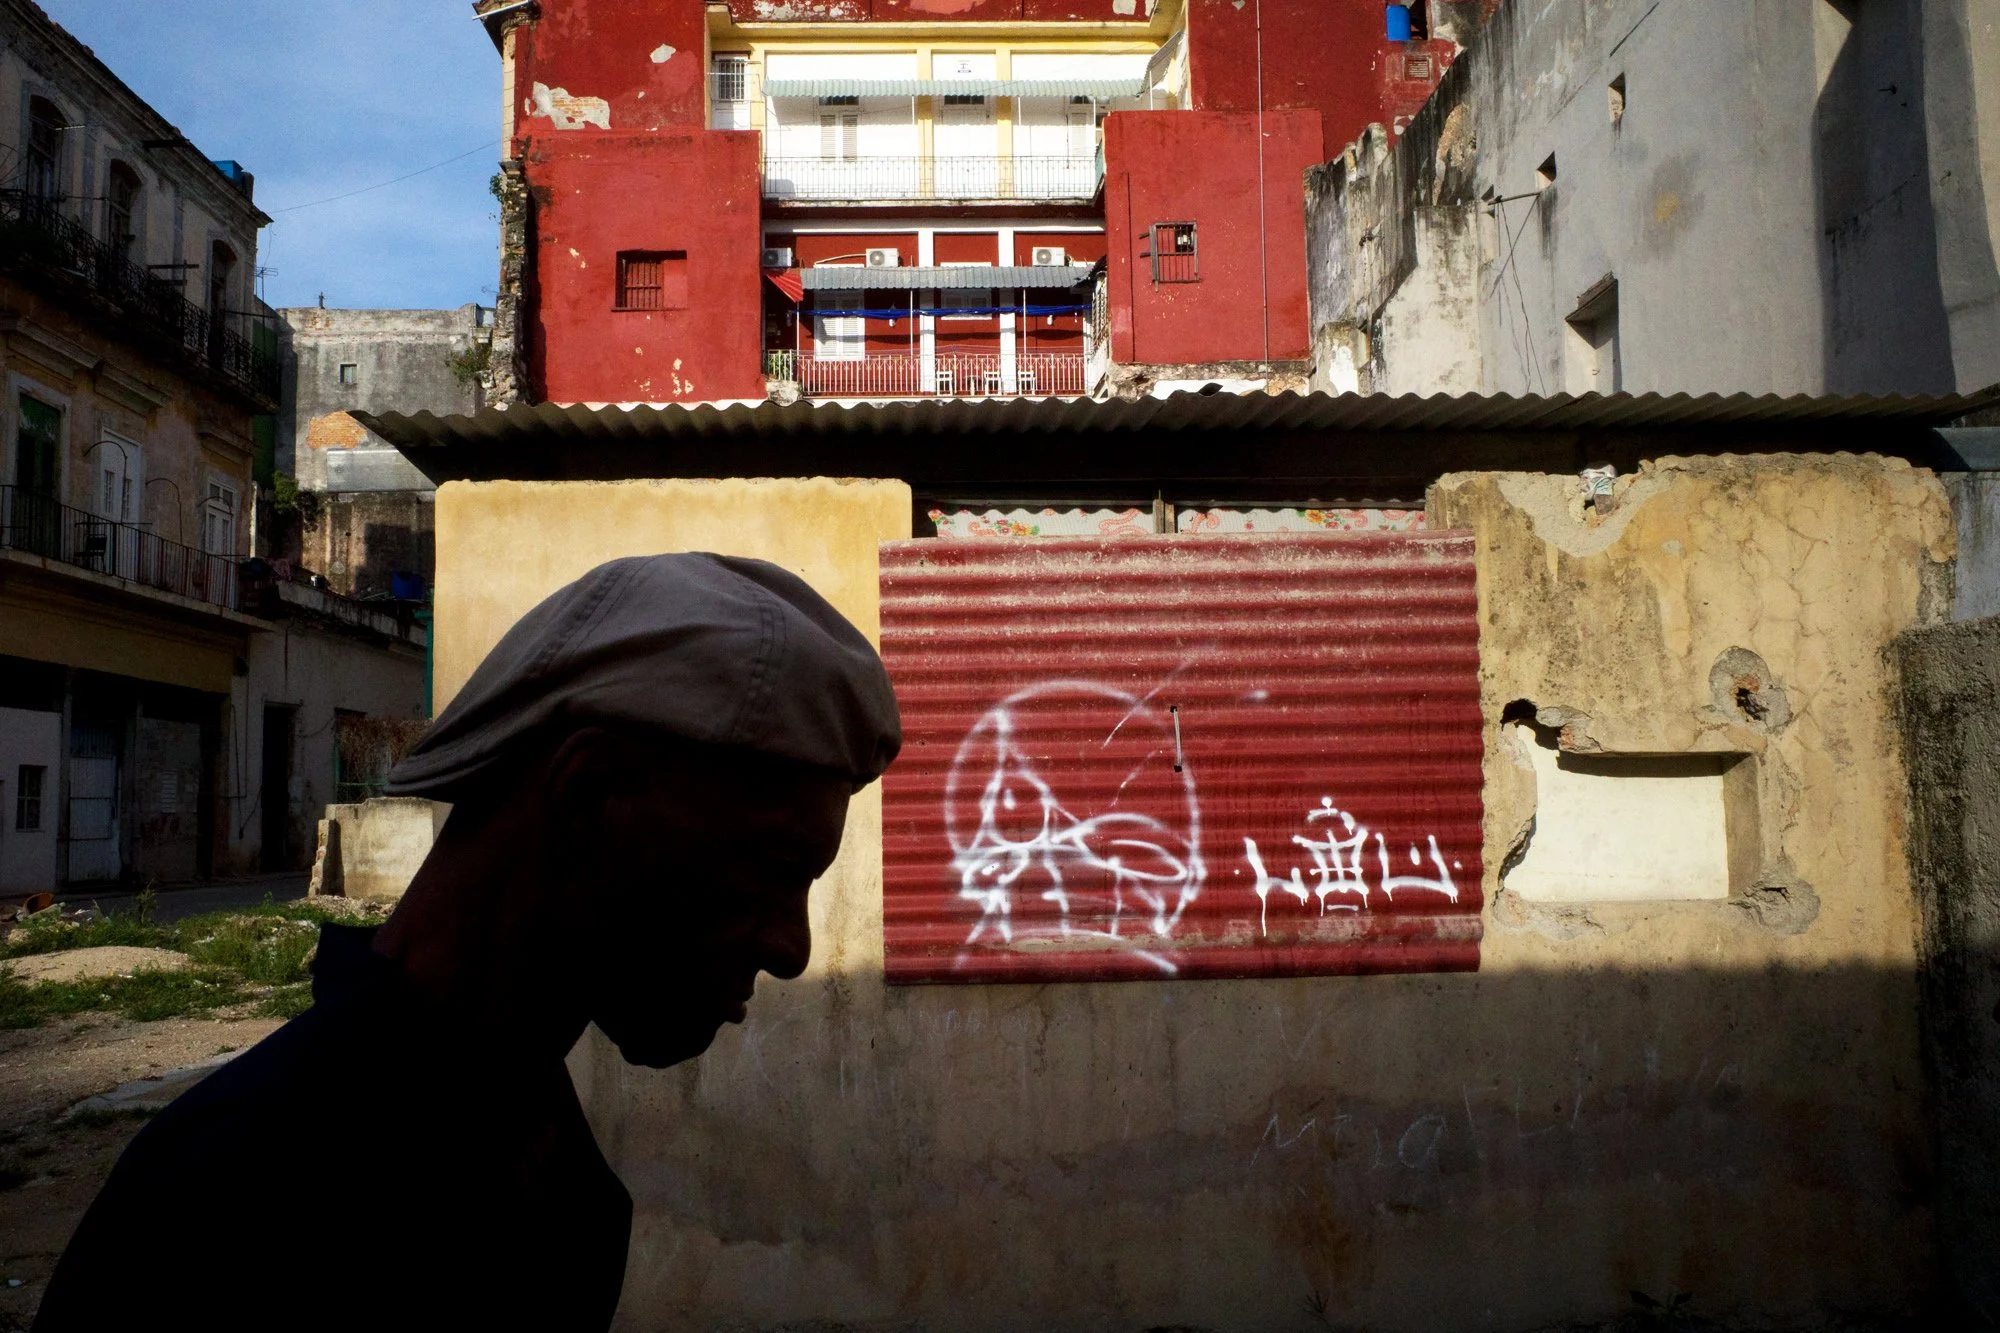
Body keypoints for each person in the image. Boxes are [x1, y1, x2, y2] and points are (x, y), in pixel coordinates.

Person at [34, 554, 901, 1332]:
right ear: (592, 794)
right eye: (769, 866)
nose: (792, 947)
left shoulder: (554, 1179)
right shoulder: (229, 1206)